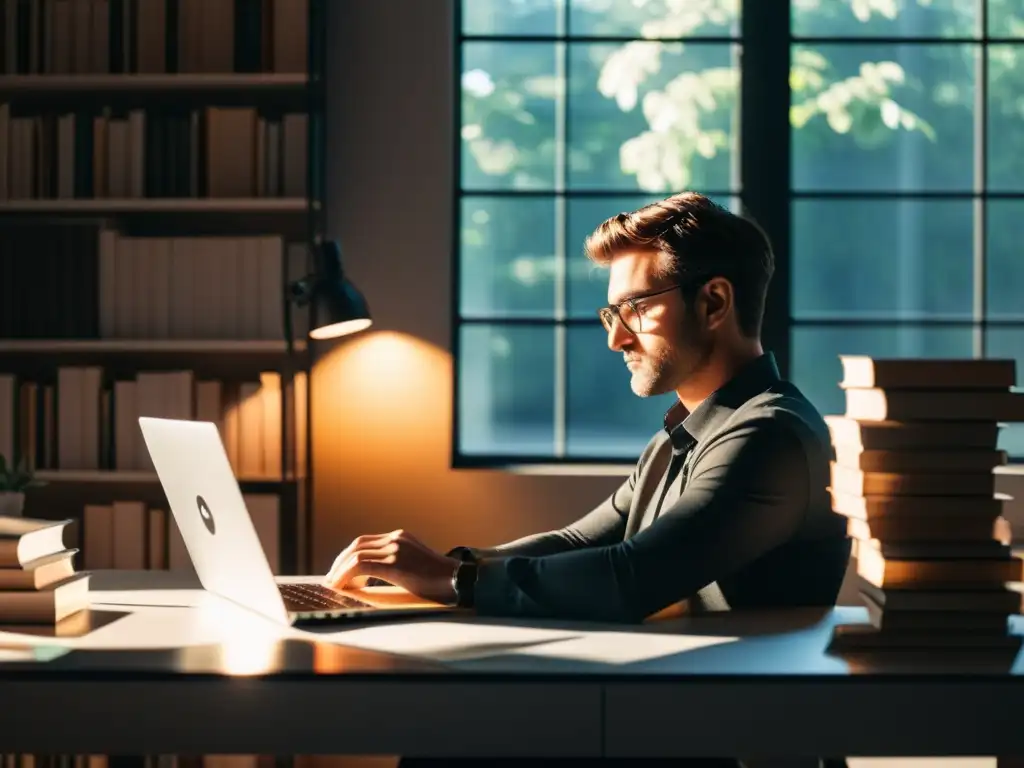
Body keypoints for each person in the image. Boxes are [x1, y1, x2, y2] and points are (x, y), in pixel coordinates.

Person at [324, 191, 851, 624]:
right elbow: (578, 541)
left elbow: (631, 577)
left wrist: (454, 581)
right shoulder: (687, 435)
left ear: (713, 302)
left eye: (636, 309)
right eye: (611, 314)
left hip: (727, 736)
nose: (616, 339)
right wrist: (449, 564)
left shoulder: (769, 435)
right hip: (677, 706)